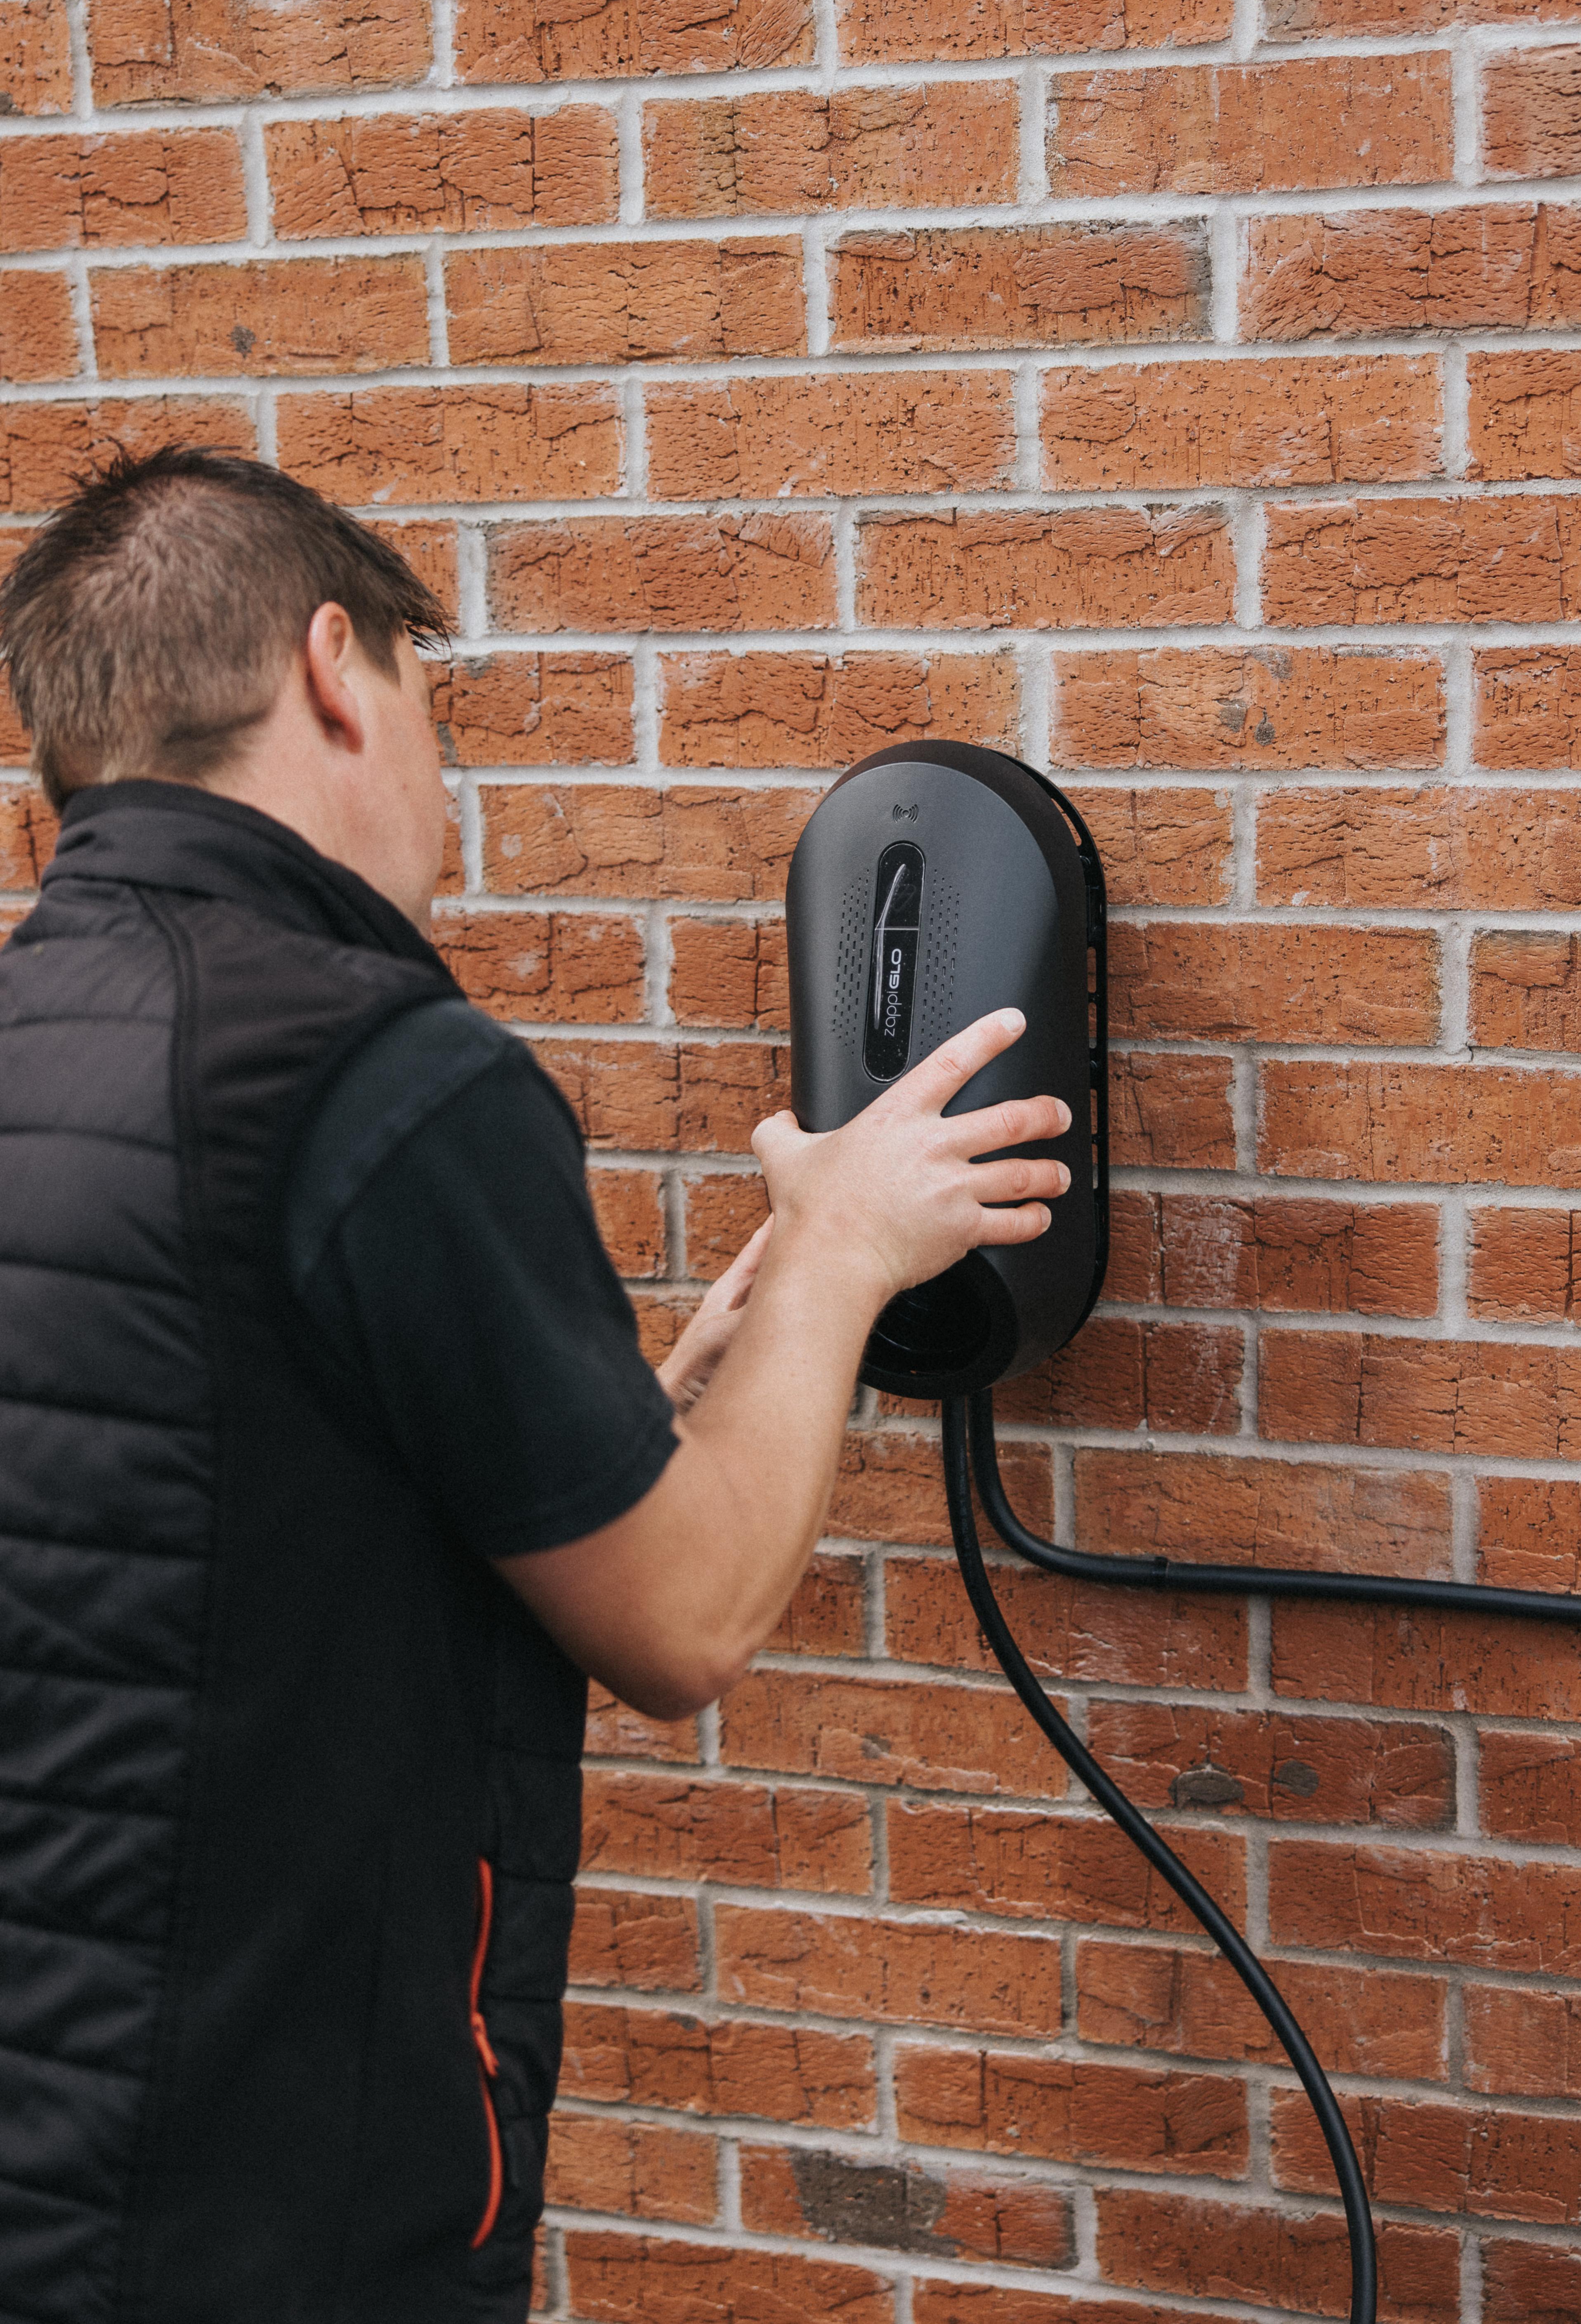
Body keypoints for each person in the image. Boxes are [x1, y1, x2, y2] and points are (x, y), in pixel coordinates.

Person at [0, 448, 1070, 2324]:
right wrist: (840, 1243)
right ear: (338, 669)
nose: (443, 775)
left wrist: (650, 1402)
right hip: (268, 2196)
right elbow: (682, 1623)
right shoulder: (376, 1071)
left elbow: (206, 1502)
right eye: (433, 701)